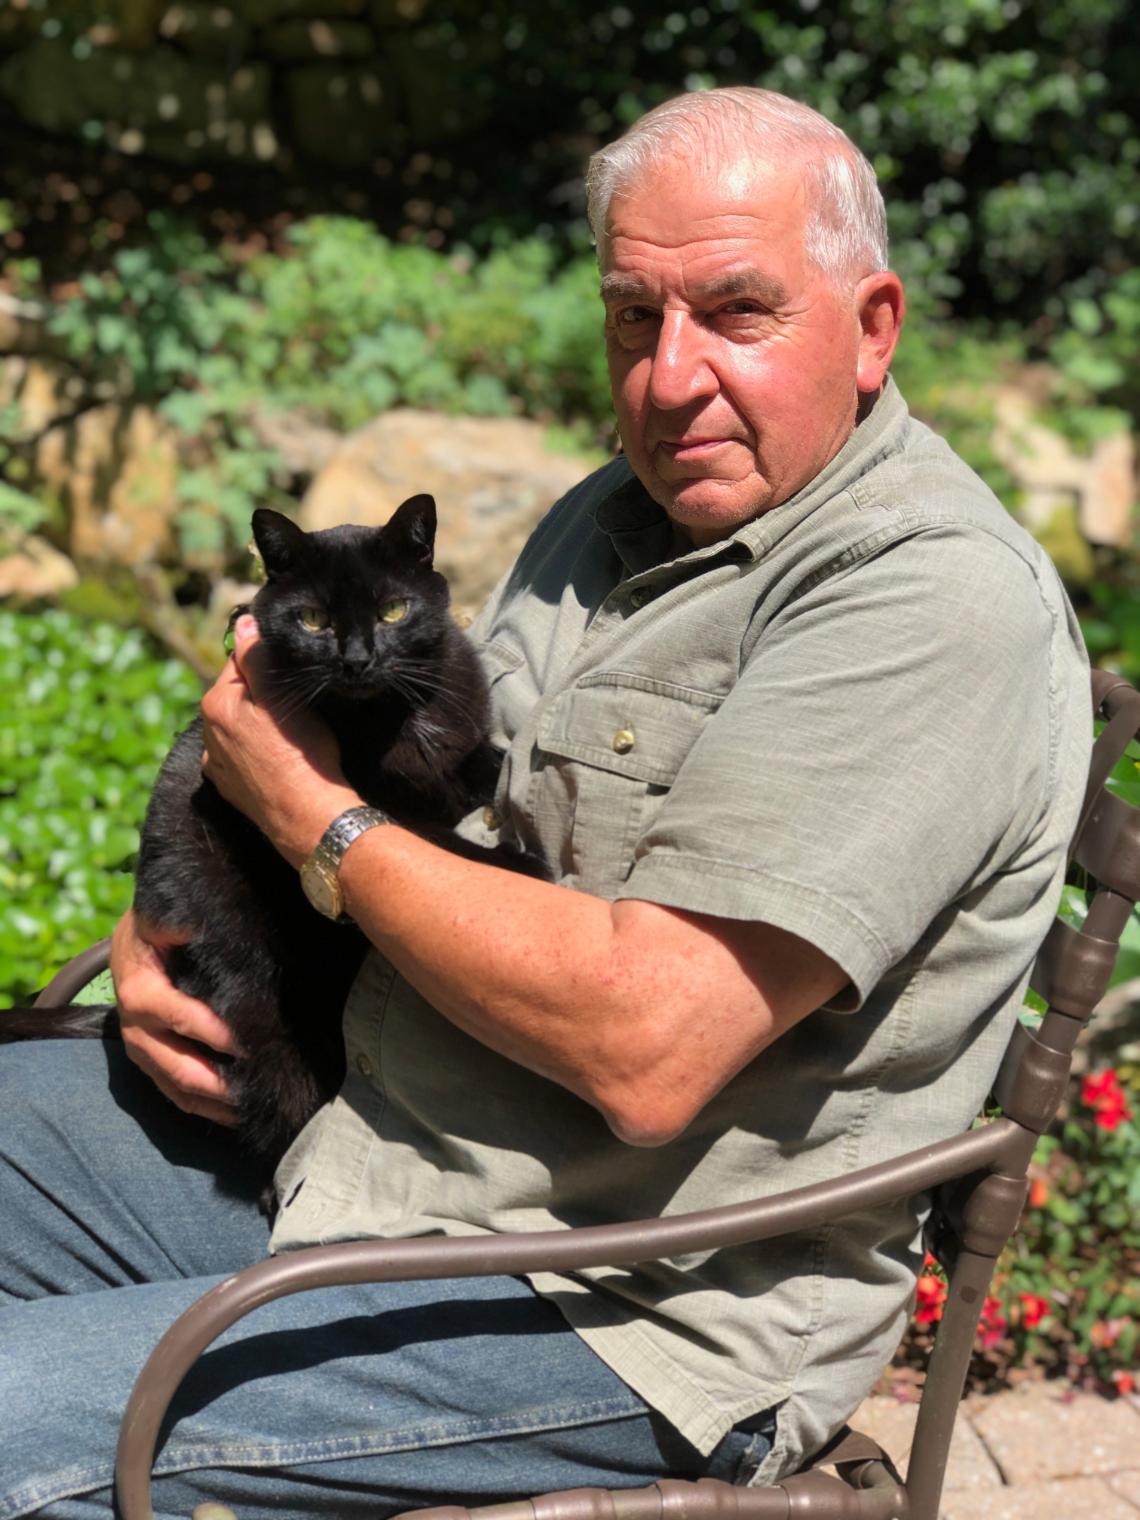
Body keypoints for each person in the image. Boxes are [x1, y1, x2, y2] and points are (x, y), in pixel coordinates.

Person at [2, 87, 1090, 1519]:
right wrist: (176, 932)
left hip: (615, 1301)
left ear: (874, 324)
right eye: (635, 316)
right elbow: (443, 785)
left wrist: (313, 827)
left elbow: (649, 1047)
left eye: (737, 311)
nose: (671, 374)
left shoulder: (921, 602)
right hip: (377, 1141)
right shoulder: (617, 517)